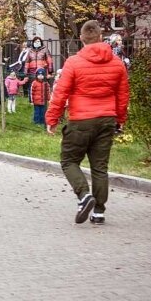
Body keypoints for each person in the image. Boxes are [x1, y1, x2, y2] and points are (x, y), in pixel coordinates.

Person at [45, 20, 129, 225]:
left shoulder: (73, 62)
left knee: (69, 161)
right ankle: (99, 212)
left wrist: (52, 118)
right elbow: (123, 94)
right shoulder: (117, 63)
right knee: (100, 167)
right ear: (101, 37)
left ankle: (84, 196)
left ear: (82, 39)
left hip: (81, 120)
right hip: (107, 119)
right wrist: (120, 119)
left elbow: (60, 92)